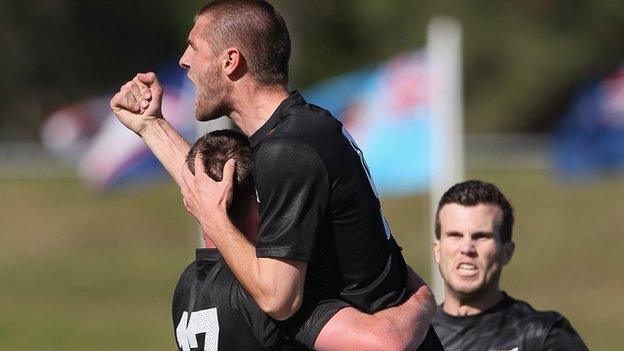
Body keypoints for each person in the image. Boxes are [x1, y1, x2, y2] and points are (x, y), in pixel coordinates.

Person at [110, 0, 439, 348]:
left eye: (194, 47)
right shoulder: (296, 130)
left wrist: (212, 217)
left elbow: (278, 297)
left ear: (230, 61)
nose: (184, 59)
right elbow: (213, 185)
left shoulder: (289, 150)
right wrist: (151, 126)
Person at [173, 129, 436, 351]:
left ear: (193, 201)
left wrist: (152, 125)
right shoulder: (266, 292)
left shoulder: (187, 286)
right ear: (263, 196)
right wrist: (420, 299)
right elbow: (386, 344)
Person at [431, 180, 588, 351]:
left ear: (507, 252)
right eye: (455, 235)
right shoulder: (414, 336)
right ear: (437, 250)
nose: (467, 248)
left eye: (481, 236)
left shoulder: (540, 335)